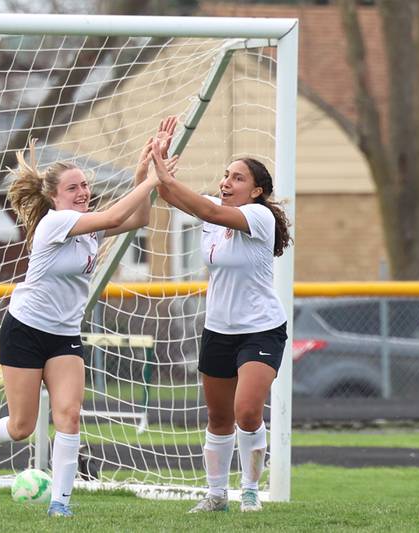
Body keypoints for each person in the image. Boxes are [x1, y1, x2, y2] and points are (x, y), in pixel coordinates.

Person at [0, 119, 178, 518]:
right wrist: (152, 179)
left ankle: (60, 504)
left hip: (64, 334)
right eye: (73, 188)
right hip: (25, 331)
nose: (83, 193)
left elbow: (136, 220)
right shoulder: (55, 223)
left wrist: (145, 169)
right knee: (22, 427)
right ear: (53, 197)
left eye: (85, 185)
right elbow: (116, 218)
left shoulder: (87, 225)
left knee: (69, 414)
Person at [150, 134, 291, 513]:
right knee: (218, 417)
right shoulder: (212, 210)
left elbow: (208, 212)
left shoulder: (259, 217)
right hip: (218, 330)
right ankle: (215, 494)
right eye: (226, 175)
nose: (226, 182)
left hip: (261, 328)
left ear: (257, 191)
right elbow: (169, 197)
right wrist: (158, 161)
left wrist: (168, 177)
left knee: (247, 412)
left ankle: (249, 489)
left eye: (238, 178)